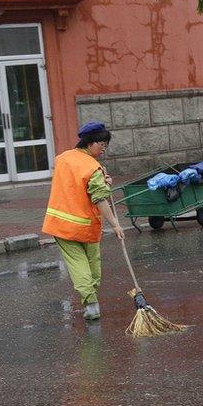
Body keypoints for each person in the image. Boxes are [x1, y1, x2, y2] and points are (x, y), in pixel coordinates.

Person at [41, 121, 124, 322]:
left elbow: (74, 184)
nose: (104, 149)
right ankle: (92, 302)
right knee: (89, 264)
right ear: (89, 142)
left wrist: (102, 182)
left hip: (61, 223)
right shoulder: (92, 167)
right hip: (85, 224)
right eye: (101, 144)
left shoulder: (62, 159)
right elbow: (99, 199)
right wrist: (115, 223)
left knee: (81, 265)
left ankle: (91, 303)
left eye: (105, 145)